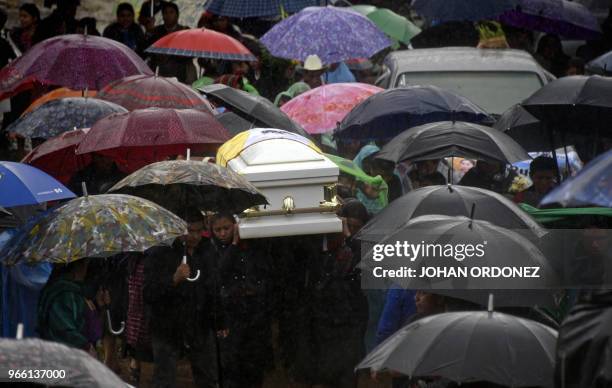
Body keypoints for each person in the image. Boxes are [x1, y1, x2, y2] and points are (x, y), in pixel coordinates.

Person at [144, 210, 224, 388]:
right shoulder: (161, 251)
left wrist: (219, 320)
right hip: (167, 324)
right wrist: (173, 280)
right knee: (165, 378)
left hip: (200, 323)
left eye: (199, 231)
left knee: (208, 376)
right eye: (190, 231)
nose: (195, 236)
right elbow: (149, 292)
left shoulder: (207, 249)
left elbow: (214, 286)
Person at [207, 213, 273, 388]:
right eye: (218, 230)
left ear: (235, 226)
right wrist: (234, 245)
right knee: (231, 363)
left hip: (254, 311)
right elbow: (218, 273)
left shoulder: (252, 244)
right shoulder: (211, 249)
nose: (222, 233)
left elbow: (263, 271)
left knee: (254, 361)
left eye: (226, 228)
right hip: (229, 313)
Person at [37, 259, 107, 354]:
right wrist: (85, 346)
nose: (86, 268)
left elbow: (86, 324)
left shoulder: (73, 291)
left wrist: (98, 305)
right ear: (77, 267)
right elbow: (64, 330)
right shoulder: (64, 295)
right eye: (85, 263)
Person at [145, 2, 196, 84]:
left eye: (171, 12)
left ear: (177, 15)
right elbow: (147, 51)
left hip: (181, 75)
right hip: (161, 75)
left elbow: (192, 53)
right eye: (165, 13)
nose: (168, 16)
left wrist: (176, 52)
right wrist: (149, 32)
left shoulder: (185, 31)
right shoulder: (156, 31)